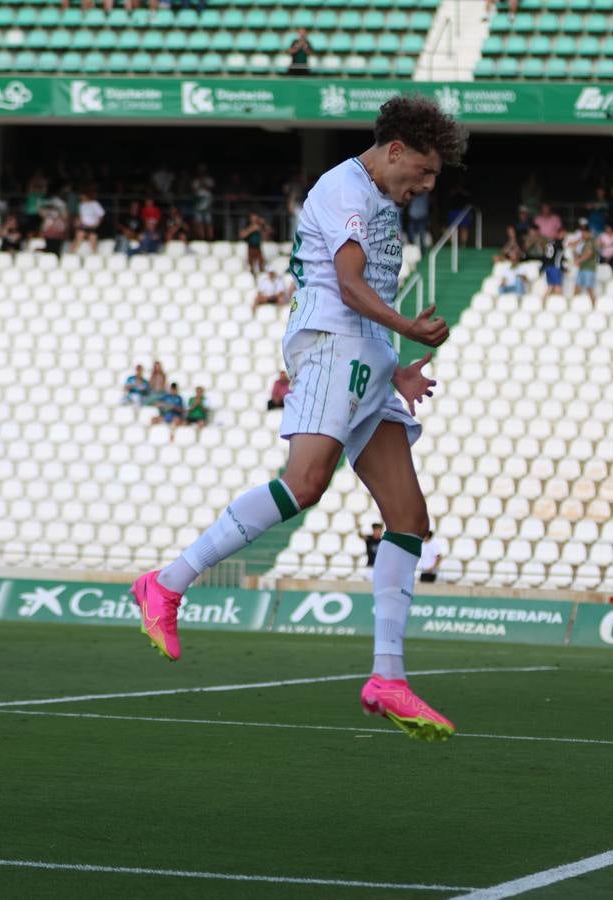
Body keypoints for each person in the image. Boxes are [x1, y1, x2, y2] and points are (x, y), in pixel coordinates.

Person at [129, 94, 466, 742]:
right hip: (332, 348)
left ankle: (388, 677)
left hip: (366, 358)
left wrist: (395, 365)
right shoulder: (344, 188)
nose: (427, 185)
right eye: (423, 171)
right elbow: (348, 287)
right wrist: (406, 329)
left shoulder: (378, 200)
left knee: (408, 518)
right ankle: (166, 584)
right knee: (305, 483)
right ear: (396, 150)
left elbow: (368, 291)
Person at [569, 221, 597, 306]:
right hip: (582, 268)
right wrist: (574, 250)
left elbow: (588, 254)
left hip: (589, 268)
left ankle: (594, 306)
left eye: (584, 233)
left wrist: (578, 261)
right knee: (577, 287)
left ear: (588, 233)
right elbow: (580, 255)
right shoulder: (585, 243)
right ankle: (573, 306)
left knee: (589, 288)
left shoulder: (591, 242)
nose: (582, 235)